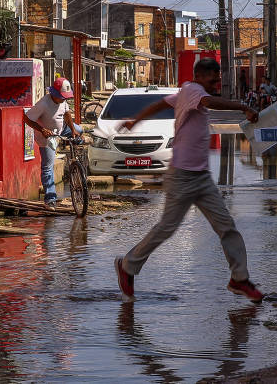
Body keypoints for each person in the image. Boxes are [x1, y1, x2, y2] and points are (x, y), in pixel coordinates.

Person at [113, 58, 265, 303]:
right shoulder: (195, 91)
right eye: (214, 79)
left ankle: (239, 278)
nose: (217, 84)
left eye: (218, 79)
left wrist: (135, 120)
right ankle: (127, 266)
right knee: (167, 228)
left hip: (201, 176)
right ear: (201, 76)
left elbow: (160, 104)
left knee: (226, 227)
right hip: (182, 175)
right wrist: (242, 107)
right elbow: (209, 102)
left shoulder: (186, 90)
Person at [23, 77, 83, 208]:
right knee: (47, 167)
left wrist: (72, 130)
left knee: (80, 130)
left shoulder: (63, 101)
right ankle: (50, 199)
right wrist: (43, 129)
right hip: (47, 136)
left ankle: (73, 152)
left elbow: (67, 113)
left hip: (61, 130)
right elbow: (26, 119)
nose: (63, 99)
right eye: (61, 97)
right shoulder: (43, 104)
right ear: (54, 94)